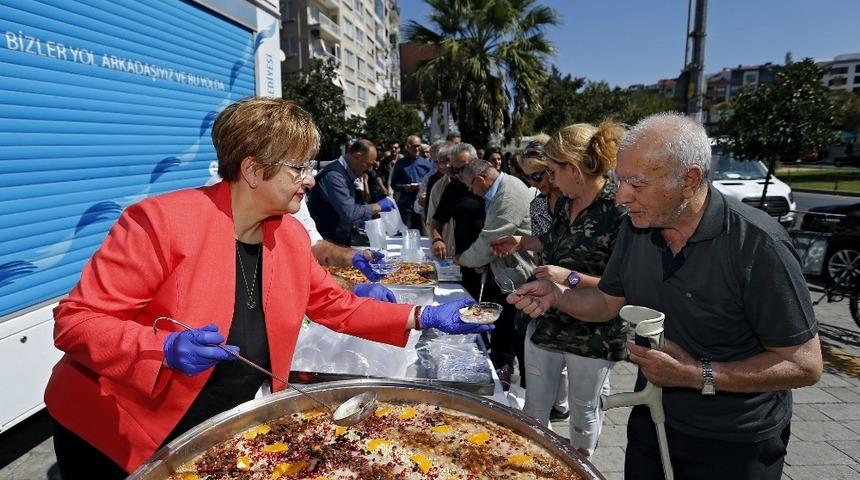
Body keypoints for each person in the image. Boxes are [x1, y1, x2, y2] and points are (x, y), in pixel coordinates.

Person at [43, 97, 493, 479]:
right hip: (113, 431)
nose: (311, 179)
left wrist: (420, 316)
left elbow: (335, 305)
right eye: (299, 168)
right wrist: (161, 348)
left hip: (207, 426)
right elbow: (75, 321)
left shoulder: (290, 235)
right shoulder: (160, 222)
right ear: (254, 170)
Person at [507, 113, 822, 479]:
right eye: (621, 181)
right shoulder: (637, 229)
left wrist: (695, 374)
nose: (622, 197)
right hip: (652, 418)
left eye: (637, 185)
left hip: (736, 441)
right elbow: (606, 304)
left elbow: (805, 364)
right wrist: (556, 295)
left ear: (688, 180)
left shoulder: (757, 245)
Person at [492, 122, 629, 456]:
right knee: (535, 409)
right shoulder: (568, 203)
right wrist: (521, 241)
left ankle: (582, 468)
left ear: (573, 169)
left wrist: (567, 277)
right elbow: (554, 244)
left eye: (553, 171)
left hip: (591, 333)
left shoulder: (620, 210)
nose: (549, 179)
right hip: (548, 321)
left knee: (583, 414)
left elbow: (624, 287)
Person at [456, 159, 536, 388]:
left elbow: (491, 240)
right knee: (503, 337)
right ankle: (504, 384)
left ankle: (526, 395)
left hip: (519, 279)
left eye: (470, 186)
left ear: (481, 180)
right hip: (507, 275)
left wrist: (464, 259)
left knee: (514, 339)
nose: (471, 191)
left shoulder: (508, 193)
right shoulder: (502, 189)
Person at [307, 139, 395, 246]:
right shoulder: (334, 176)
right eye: (368, 164)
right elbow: (349, 212)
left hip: (337, 242)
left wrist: (360, 219)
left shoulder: (345, 174)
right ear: (357, 157)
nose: (369, 169)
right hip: (326, 245)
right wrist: (378, 206)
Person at [430, 143, 486, 299]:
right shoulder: (453, 188)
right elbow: (436, 220)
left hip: (493, 262)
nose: (459, 174)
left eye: (463, 169)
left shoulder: (493, 185)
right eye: (455, 170)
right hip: (466, 262)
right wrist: (437, 239)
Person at [391, 135, 433, 229]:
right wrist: (404, 187)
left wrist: (421, 186)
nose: (417, 148)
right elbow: (393, 183)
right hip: (406, 206)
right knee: (405, 234)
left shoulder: (426, 164)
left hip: (422, 206)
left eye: (418, 146)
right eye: (414, 146)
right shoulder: (400, 163)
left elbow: (432, 183)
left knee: (424, 236)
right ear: (408, 147)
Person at [424, 141, 457, 254]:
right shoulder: (437, 187)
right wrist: (436, 240)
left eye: (448, 160)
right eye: (441, 162)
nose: (446, 165)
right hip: (449, 250)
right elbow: (431, 221)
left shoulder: (474, 183)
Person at [414, 140, 450, 222]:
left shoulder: (460, 176)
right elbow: (417, 208)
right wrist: (420, 201)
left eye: (443, 161)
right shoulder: (430, 178)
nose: (440, 165)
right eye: (436, 162)